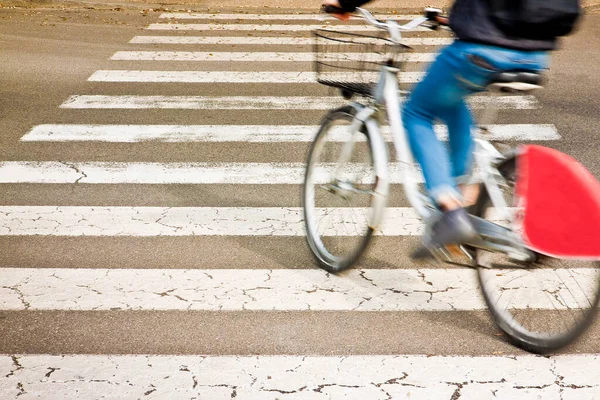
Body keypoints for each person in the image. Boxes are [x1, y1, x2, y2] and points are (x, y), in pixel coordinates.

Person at [323, 0, 560, 249]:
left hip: (483, 51)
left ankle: (449, 206)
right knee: (450, 99)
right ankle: (459, 195)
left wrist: (345, 3)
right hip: (535, 56)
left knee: (417, 112)